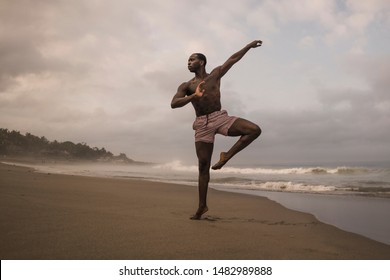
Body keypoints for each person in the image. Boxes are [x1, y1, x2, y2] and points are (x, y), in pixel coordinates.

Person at [171, 40, 262, 220]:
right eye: (187, 61)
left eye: (192, 60)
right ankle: (202, 206)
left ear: (202, 62)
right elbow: (174, 103)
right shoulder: (186, 85)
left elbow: (233, 59)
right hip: (202, 125)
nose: (188, 63)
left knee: (254, 130)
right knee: (203, 166)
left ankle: (226, 156)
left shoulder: (215, 75)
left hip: (219, 118)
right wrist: (193, 96)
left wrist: (248, 46)